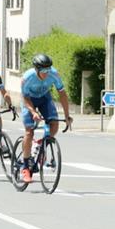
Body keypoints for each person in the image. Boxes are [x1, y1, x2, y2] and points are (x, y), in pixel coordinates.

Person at [19, 54, 72, 182]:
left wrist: (66, 115)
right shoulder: (27, 78)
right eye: (43, 71)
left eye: (48, 70)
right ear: (37, 69)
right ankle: (25, 167)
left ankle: (40, 145)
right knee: (29, 132)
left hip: (44, 98)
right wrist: (33, 112)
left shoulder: (54, 74)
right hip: (29, 100)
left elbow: (62, 94)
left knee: (54, 124)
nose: (46, 73)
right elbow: (25, 98)